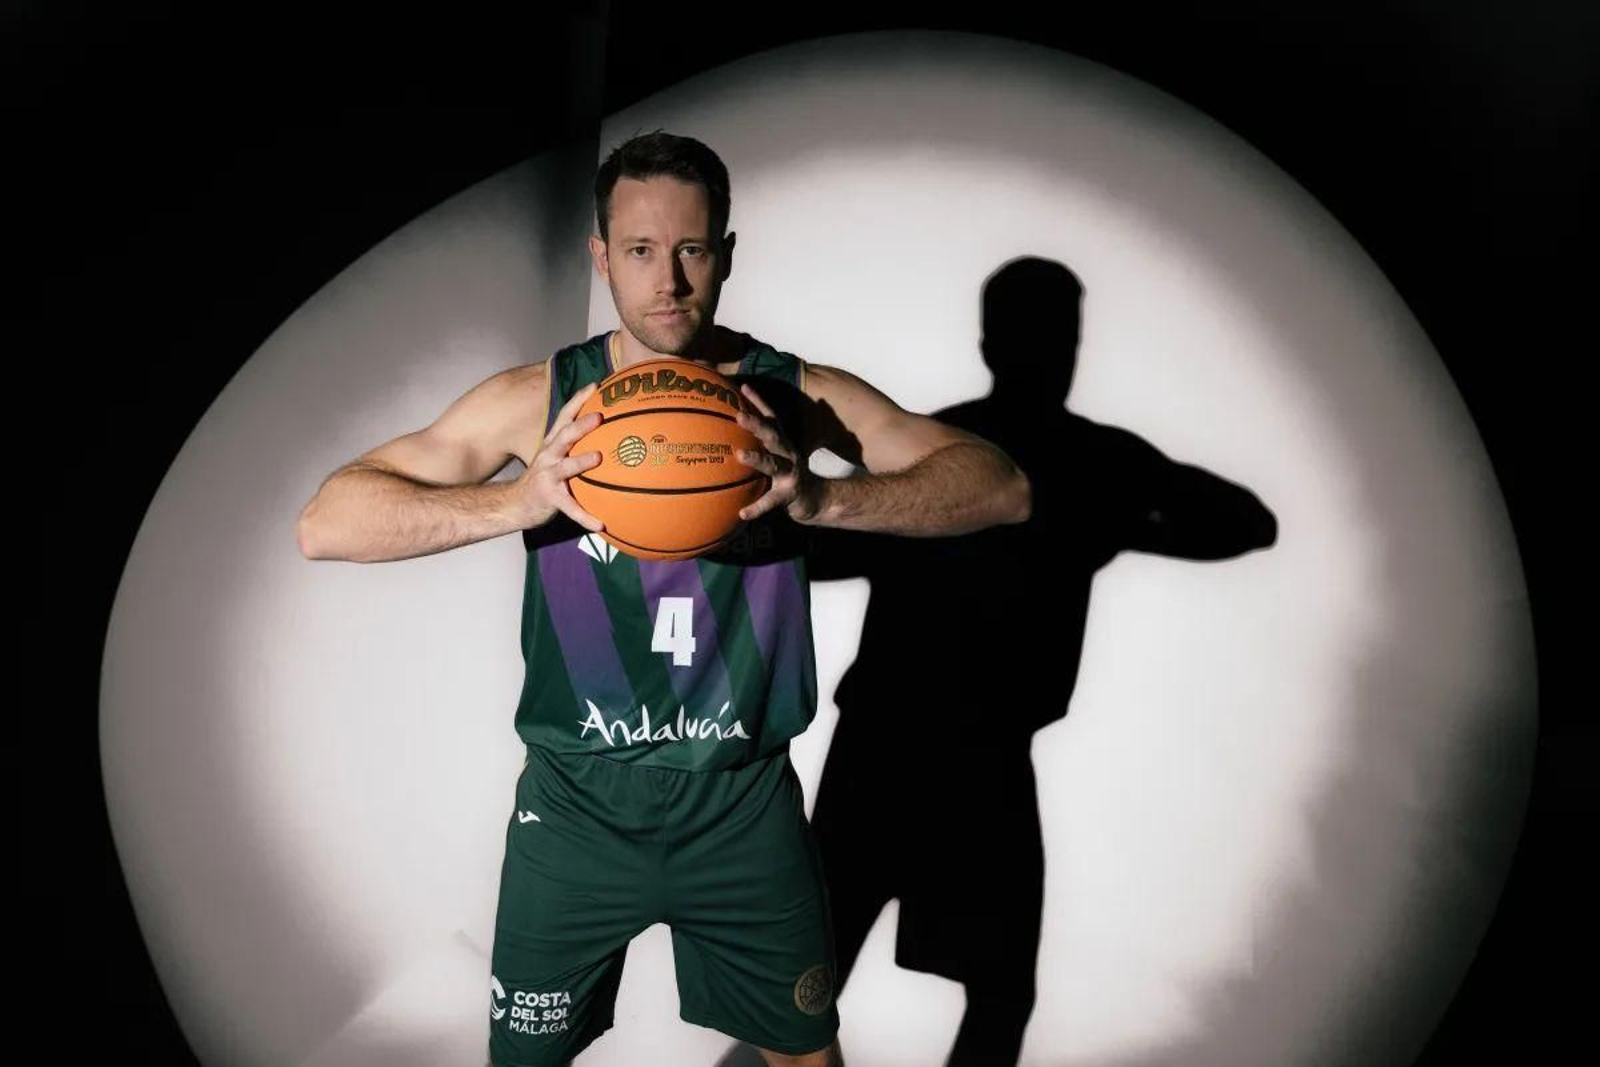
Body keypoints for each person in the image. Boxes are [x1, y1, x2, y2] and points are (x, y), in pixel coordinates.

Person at [296, 129, 1032, 1067]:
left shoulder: (788, 396)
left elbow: (999, 485)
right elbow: (327, 521)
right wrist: (519, 499)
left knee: (810, 1057)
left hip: (743, 802)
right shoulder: (542, 401)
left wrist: (822, 496)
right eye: (640, 251)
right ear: (601, 257)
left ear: (726, 253)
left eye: (691, 249)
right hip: (574, 811)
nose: (668, 281)